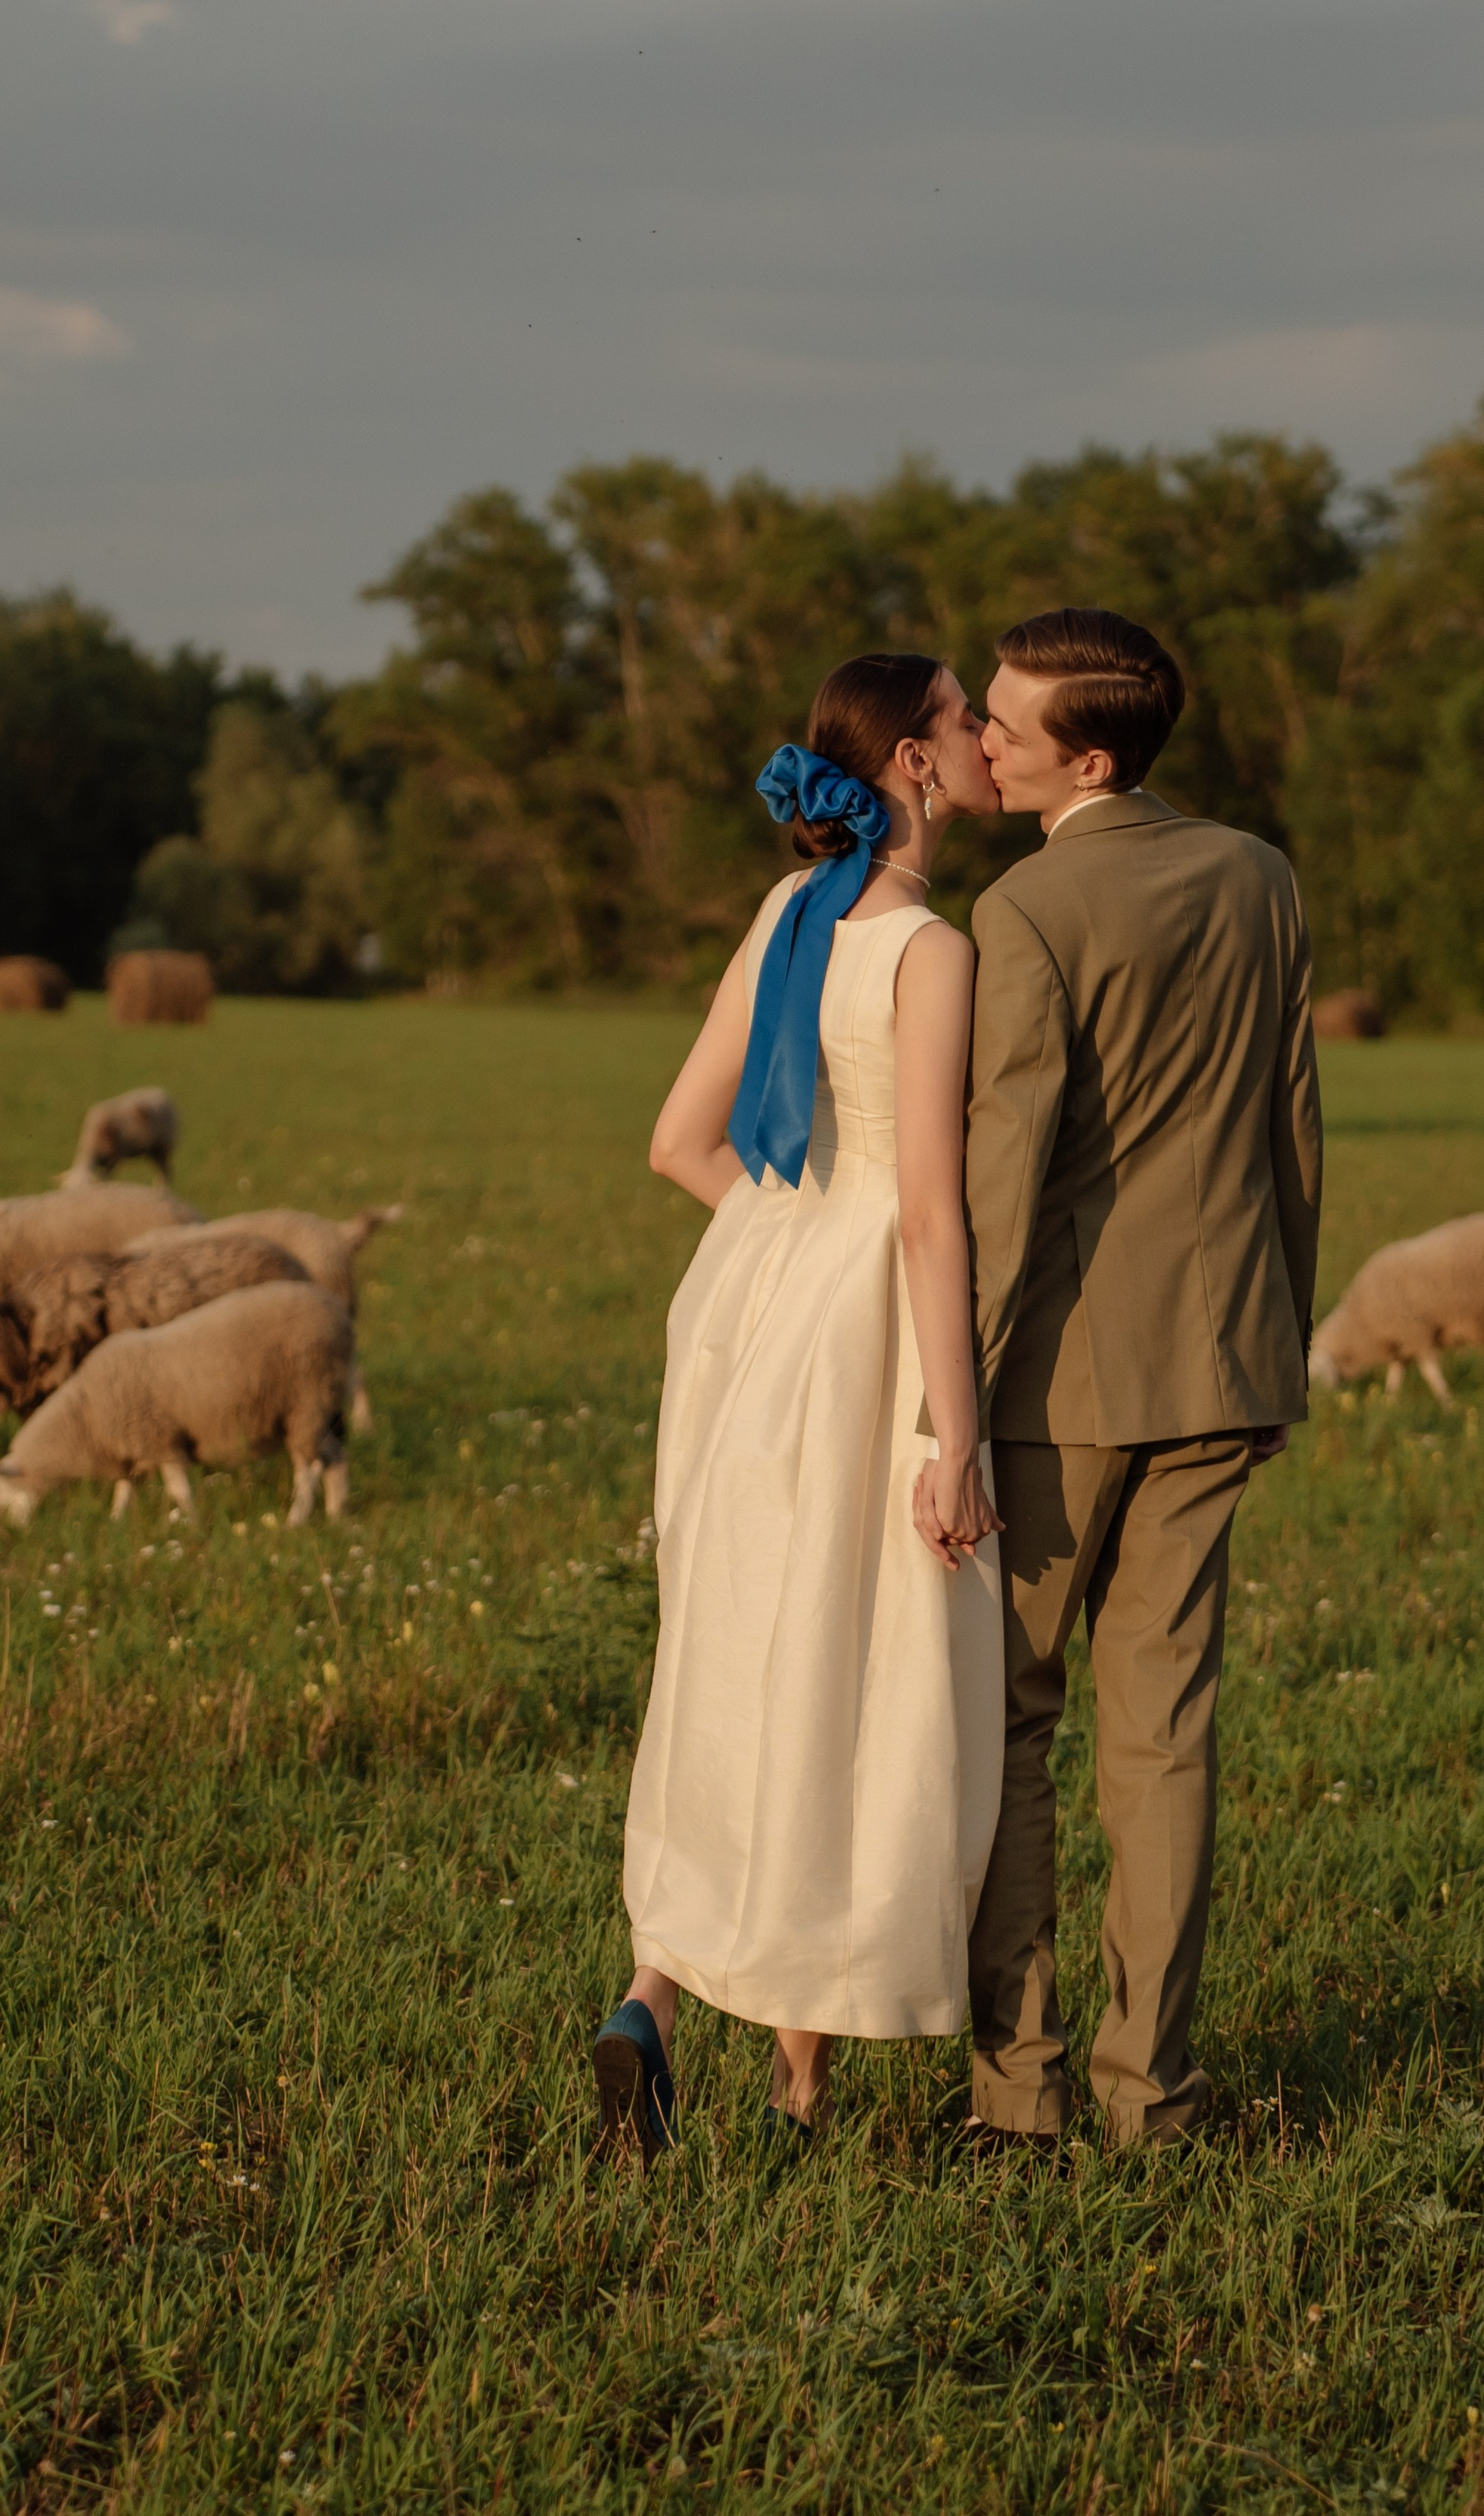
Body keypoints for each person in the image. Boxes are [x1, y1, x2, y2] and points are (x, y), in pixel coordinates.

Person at [916, 606, 1322, 2149]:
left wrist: (951, 1406)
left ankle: (1015, 2097)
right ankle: (1149, 2093)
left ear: (1088, 754)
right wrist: (1275, 1343)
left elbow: (1005, 1177)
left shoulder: (1022, 910)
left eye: (1008, 725)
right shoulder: (1257, 876)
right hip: (1224, 1360)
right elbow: (1292, 1126)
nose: (987, 744)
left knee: (1012, 1729)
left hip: (1050, 1392)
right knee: (1163, 1741)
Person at [592, 653, 1007, 2159]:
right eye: (965, 720)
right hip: (863, 1335)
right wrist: (951, 1438)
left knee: (734, 1649)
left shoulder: (786, 913)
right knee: (857, 1669)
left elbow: (673, 1143)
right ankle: (796, 2084)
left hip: (741, 1315)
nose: (985, 739)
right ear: (910, 759)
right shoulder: (928, 950)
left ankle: (650, 1995)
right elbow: (928, 1221)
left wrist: (779, 1230)